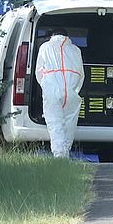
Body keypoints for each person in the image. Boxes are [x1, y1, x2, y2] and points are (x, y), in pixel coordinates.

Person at [35, 29, 85, 158]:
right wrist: (74, 90)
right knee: (69, 124)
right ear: (67, 36)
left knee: (55, 123)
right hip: (71, 92)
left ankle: (59, 156)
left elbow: (38, 72)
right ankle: (65, 153)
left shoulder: (45, 47)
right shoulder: (76, 50)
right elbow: (81, 75)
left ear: (52, 36)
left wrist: (46, 87)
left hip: (51, 91)